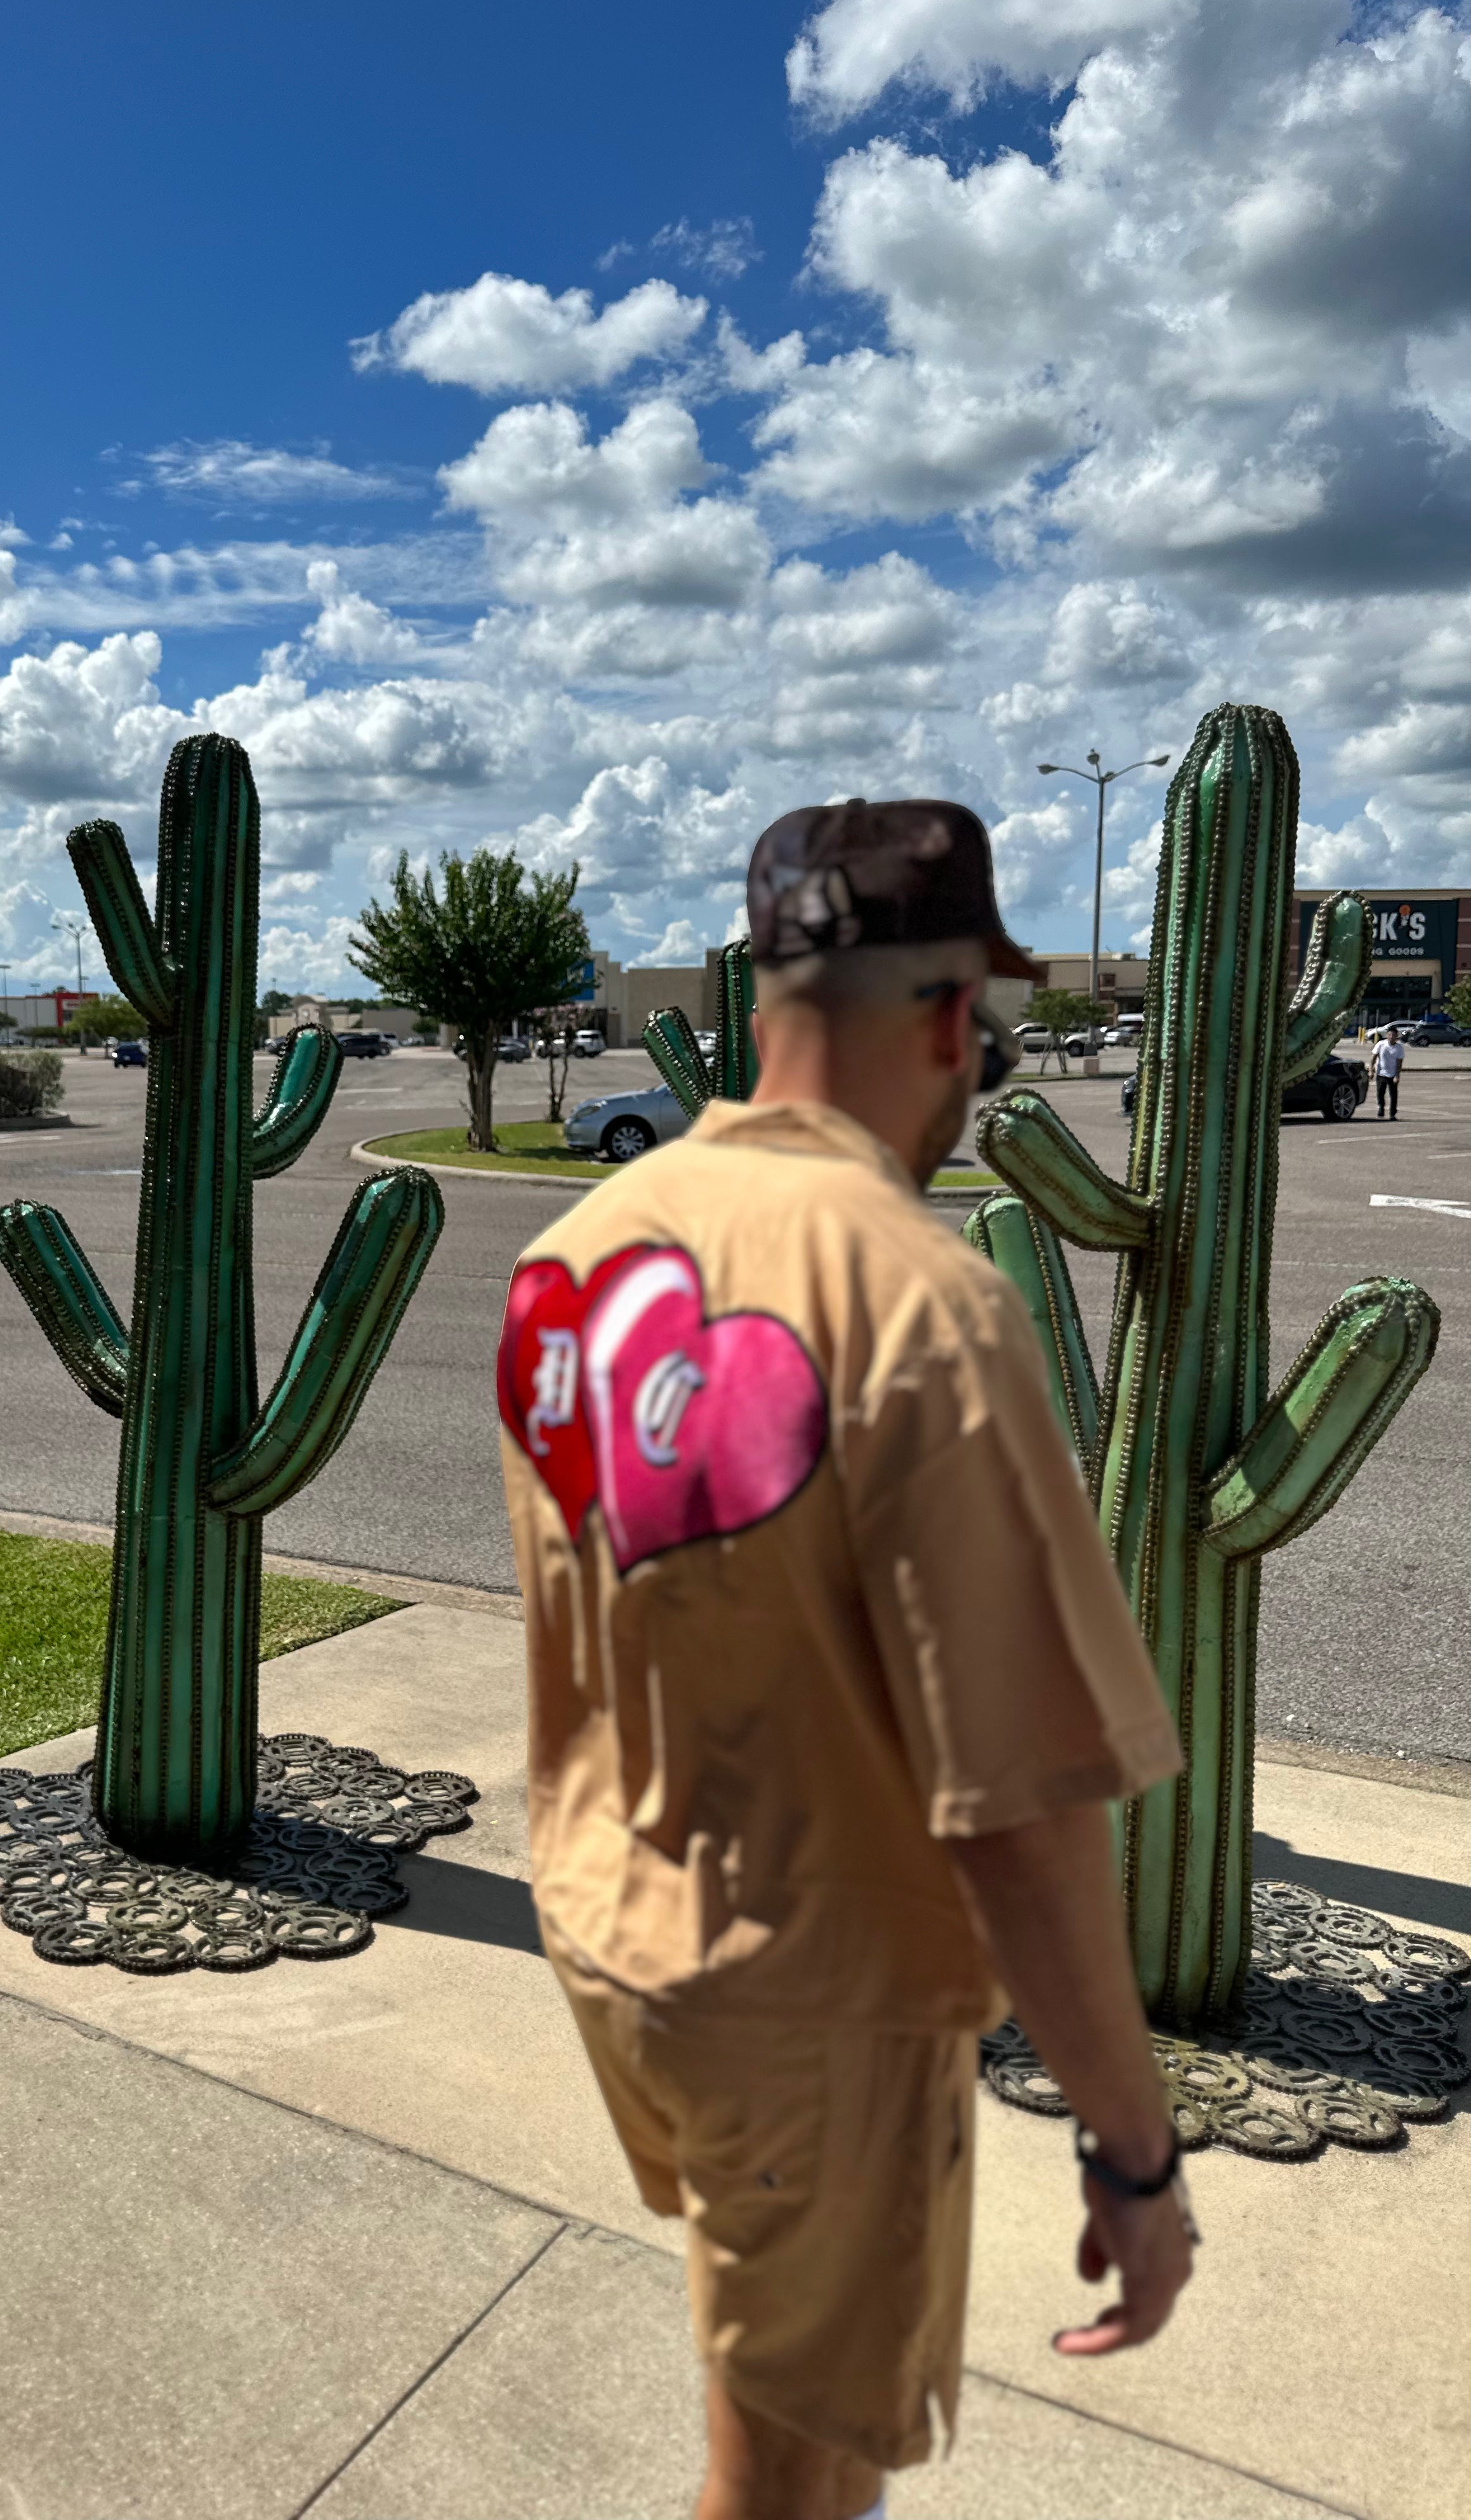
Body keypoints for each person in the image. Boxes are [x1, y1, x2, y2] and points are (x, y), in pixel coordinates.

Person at [498, 799, 1196, 2520]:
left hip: (619, 1927)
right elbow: (1020, 1807)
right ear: (956, 1020)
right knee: (788, 2485)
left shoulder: (574, 1255)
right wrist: (1133, 2152)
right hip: (817, 2006)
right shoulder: (920, 1303)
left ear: (756, 993)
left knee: (762, 2395)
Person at [1373, 1027, 1407, 1119]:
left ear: (1397, 1037)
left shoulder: (1399, 1048)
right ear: (1387, 1035)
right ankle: (1381, 1108)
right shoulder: (1381, 1044)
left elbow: (1399, 1063)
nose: (1391, 1037)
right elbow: (1374, 1057)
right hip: (1381, 1073)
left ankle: (1393, 1113)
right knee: (1380, 1093)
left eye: (1394, 1035)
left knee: (1393, 1095)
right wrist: (1370, 1071)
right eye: (1390, 1035)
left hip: (1392, 1074)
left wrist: (1397, 1076)